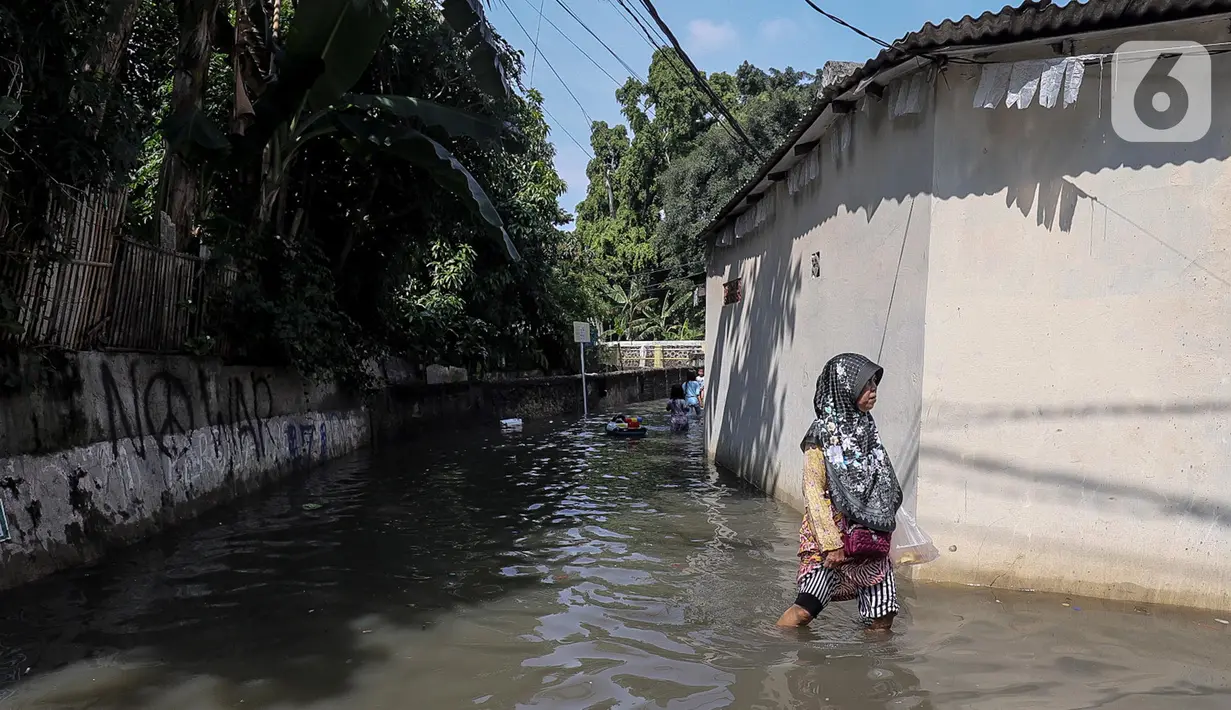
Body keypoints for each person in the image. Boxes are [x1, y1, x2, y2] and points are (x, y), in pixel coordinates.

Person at [776, 353, 903, 632]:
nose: (873, 390)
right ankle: (771, 643)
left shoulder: (867, 427)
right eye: (865, 385)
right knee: (804, 612)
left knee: (884, 617)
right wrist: (831, 543)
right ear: (845, 388)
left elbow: (881, 481)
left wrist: (890, 526)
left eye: (874, 383)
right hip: (833, 538)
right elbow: (813, 491)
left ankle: (872, 671)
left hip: (869, 537)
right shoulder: (821, 435)